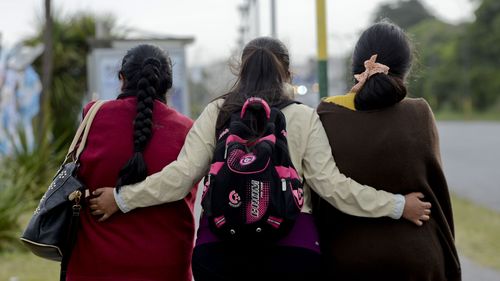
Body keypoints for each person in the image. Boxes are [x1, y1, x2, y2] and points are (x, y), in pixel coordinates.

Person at [90, 37, 431, 281]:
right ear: (289, 73)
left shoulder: (216, 112)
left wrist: (121, 199)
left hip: (220, 253)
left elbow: (179, 179)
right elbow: (333, 187)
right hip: (292, 252)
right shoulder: (302, 116)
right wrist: (399, 205)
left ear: (239, 68)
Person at [315, 21, 461, 281]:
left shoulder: (325, 116)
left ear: (356, 67)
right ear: (405, 71)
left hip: (346, 261)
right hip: (418, 261)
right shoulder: (420, 114)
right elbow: (437, 195)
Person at [66, 44, 197, 281]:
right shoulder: (188, 130)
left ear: (122, 78)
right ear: (167, 84)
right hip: (166, 267)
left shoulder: (93, 116)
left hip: (94, 266)